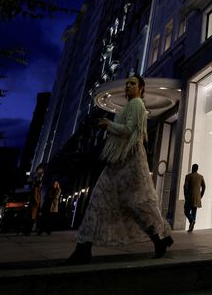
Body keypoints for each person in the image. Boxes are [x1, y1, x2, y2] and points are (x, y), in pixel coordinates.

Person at [65, 75, 173, 264]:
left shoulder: (137, 104)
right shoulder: (129, 106)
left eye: (133, 83)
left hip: (129, 161)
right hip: (118, 161)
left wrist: (109, 125)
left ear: (141, 88)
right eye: (127, 84)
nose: (128, 86)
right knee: (99, 200)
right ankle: (83, 248)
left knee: (135, 203)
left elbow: (131, 130)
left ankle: (160, 238)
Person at [183, 164, 206, 232]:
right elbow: (204, 187)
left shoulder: (188, 176)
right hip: (197, 197)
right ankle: (191, 227)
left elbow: (185, 187)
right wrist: (201, 195)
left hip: (190, 197)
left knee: (186, 211)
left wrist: (185, 195)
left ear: (192, 168)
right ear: (197, 169)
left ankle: (192, 220)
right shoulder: (201, 177)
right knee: (194, 211)